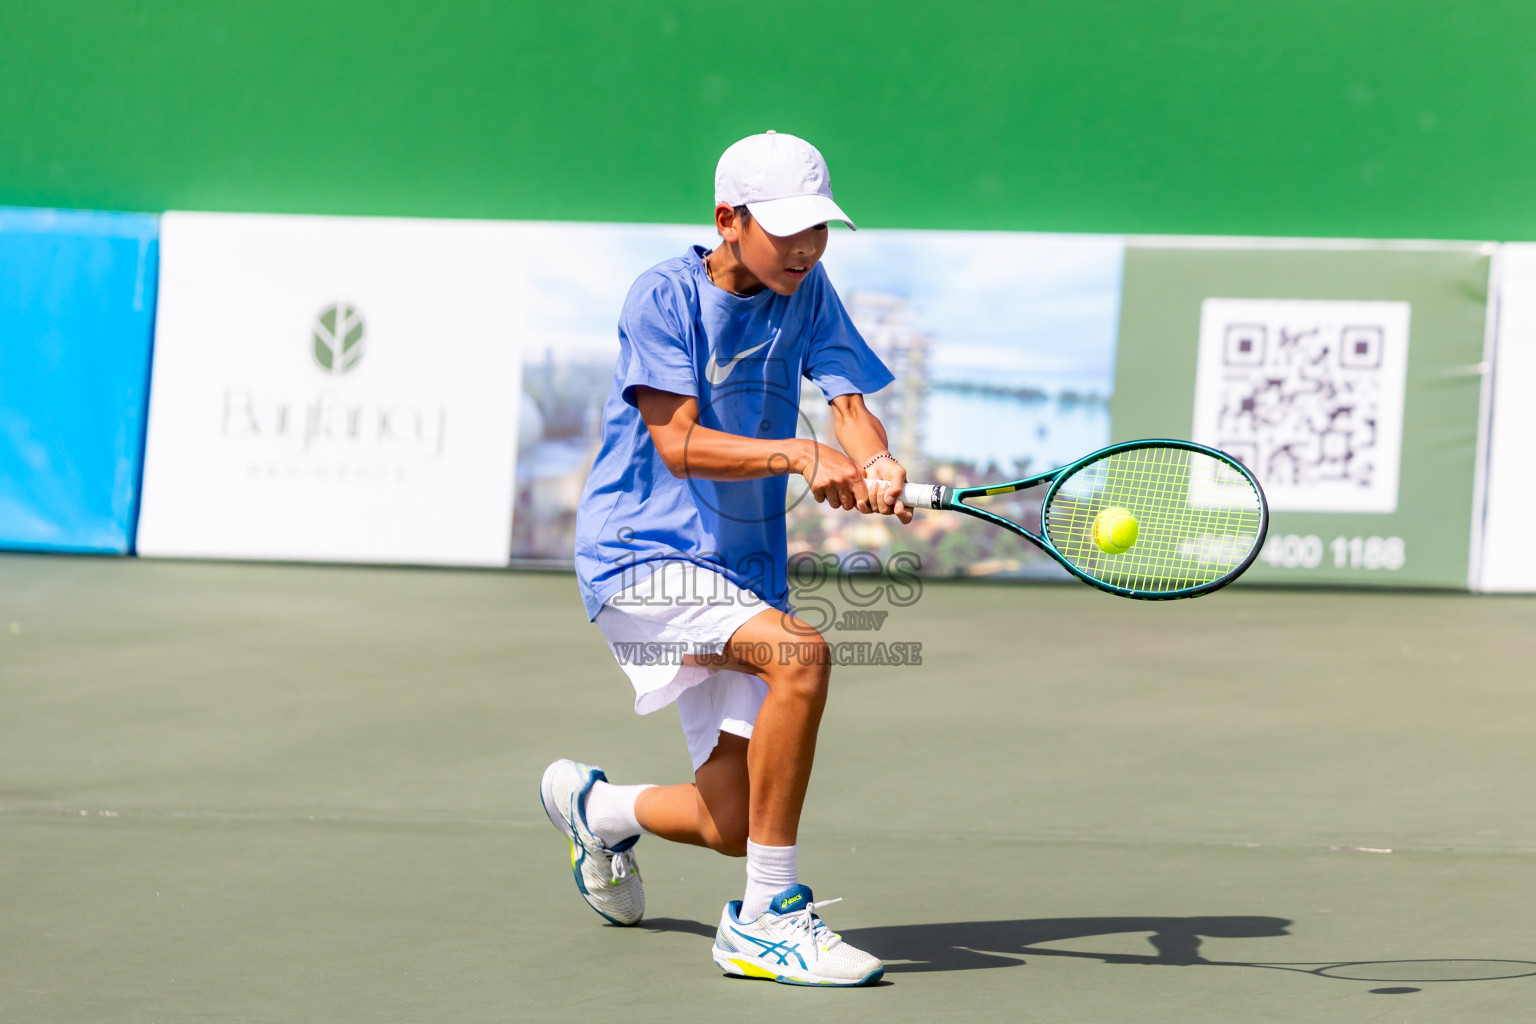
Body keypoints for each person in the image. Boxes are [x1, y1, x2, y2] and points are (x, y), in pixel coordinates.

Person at [541, 130, 910, 987]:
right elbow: (677, 444)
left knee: (735, 822)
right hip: (641, 552)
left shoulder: (808, 290)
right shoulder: (661, 296)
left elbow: (848, 404)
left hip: (741, 568)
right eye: (787, 230)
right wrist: (802, 456)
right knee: (801, 657)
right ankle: (766, 921)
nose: (806, 247)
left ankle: (594, 809)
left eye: (818, 229)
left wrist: (876, 458)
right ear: (727, 220)